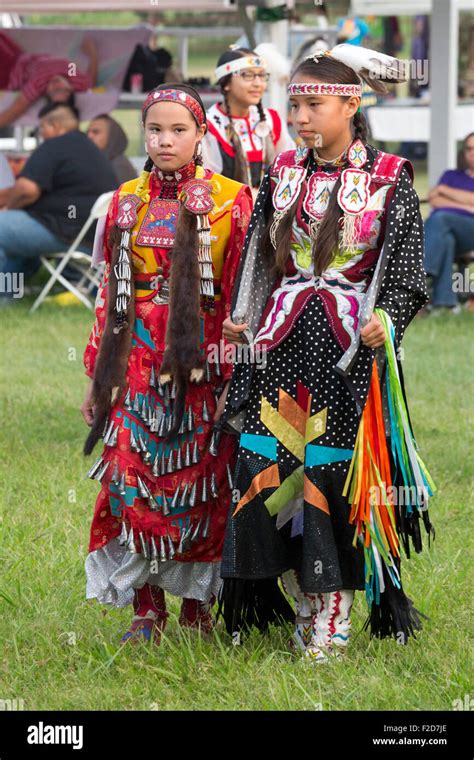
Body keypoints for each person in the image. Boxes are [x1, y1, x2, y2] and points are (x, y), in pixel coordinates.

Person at [217, 45, 435, 663]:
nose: (302, 116)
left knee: (329, 472)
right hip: (281, 344)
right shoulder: (282, 169)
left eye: (314, 104)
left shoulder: (390, 174)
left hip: (344, 351)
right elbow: (261, 256)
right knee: (270, 469)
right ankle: (302, 600)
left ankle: (334, 611)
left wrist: (386, 319)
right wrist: (243, 315)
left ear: (351, 103)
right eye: (297, 104)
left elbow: (406, 271)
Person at [81, 84, 253, 645]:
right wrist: (97, 378)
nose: (164, 140)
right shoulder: (125, 199)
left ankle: (197, 609)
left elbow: (239, 297)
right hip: (134, 362)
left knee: (200, 484)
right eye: (155, 129)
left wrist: (236, 373)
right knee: (133, 481)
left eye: (179, 129)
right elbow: (112, 295)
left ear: (202, 134)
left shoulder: (231, 200)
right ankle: (145, 606)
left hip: (201, 363)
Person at [0, 103, 116, 297]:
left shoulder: (55, 145)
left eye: (42, 128)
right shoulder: (89, 149)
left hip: (64, 231)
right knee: (16, 234)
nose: (41, 134)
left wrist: (9, 208)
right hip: (93, 238)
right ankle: (10, 292)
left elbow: (27, 190)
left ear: (54, 126)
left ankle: (5, 295)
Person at [202, 47, 295, 193]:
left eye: (262, 75)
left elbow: (290, 168)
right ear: (226, 83)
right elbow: (207, 182)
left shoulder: (271, 120)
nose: (258, 83)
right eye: (248, 75)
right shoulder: (208, 126)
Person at [0, 33, 97, 127]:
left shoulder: (40, 83)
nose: (56, 85)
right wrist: (92, 53)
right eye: (61, 89)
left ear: (46, 92)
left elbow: (17, 109)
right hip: (19, 57)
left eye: (53, 91)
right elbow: (91, 81)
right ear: (71, 88)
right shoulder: (74, 77)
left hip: (9, 72)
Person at [424, 132, 474, 313]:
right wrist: (467, 205)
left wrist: (445, 190)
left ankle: (420, 273)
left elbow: (439, 197)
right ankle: (445, 303)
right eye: (469, 148)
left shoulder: (447, 183)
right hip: (448, 231)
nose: (472, 153)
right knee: (445, 238)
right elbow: (434, 200)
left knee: (439, 218)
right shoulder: (451, 175)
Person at [87, 114, 136, 186]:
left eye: (96, 132)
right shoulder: (100, 161)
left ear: (111, 136)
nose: (89, 136)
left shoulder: (119, 165)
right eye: (87, 132)